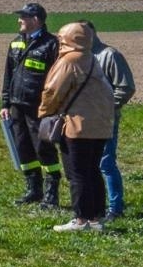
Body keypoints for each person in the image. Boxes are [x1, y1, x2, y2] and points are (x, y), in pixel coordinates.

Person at [39, 22, 114, 233]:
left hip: (76, 125)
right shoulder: (92, 59)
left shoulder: (69, 61)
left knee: (77, 172)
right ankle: (96, 218)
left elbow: (52, 91)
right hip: (100, 125)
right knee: (93, 170)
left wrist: (44, 112)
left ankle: (81, 219)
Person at [1, 2, 63, 208]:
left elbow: (56, 78)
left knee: (43, 149)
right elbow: (8, 75)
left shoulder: (51, 44)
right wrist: (5, 103)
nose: (19, 20)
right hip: (17, 106)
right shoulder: (15, 43)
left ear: (35, 20)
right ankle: (33, 190)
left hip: (39, 107)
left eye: (23, 17)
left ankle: (51, 194)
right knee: (23, 149)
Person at [82, 22, 136, 222]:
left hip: (105, 119)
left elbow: (126, 87)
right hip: (83, 121)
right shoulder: (79, 57)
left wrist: (104, 107)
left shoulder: (109, 55)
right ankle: (96, 205)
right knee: (87, 165)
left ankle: (115, 207)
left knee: (106, 163)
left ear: (91, 33)